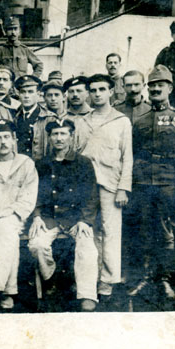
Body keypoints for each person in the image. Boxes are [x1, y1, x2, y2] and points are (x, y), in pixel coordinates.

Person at [127, 65, 175, 300]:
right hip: (143, 182)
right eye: (152, 85)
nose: (155, 89)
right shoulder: (140, 121)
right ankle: (146, 277)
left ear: (170, 88)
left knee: (166, 231)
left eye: (160, 85)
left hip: (168, 181)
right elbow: (133, 154)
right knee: (144, 229)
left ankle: (164, 279)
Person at [28, 119, 100, 311]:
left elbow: (92, 196)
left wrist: (85, 220)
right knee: (37, 245)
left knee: (87, 249)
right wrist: (36, 215)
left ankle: (87, 295)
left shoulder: (83, 163)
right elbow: (34, 193)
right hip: (49, 218)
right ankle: (51, 279)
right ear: (49, 137)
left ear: (71, 136)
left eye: (63, 134)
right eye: (55, 134)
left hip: (76, 218)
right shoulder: (42, 164)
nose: (59, 138)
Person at [74, 73, 133, 299]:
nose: (97, 94)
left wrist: (123, 188)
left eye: (102, 89)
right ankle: (90, 278)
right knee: (88, 231)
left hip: (110, 184)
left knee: (110, 232)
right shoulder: (82, 122)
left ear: (111, 91)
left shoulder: (121, 121)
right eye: (93, 90)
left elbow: (127, 157)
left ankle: (107, 280)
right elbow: (77, 153)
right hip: (85, 185)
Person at [0, 119, 38, 310]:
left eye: (6, 137)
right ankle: (8, 292)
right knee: (8, 234)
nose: (3, 142)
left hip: (18, 217)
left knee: (6, 228)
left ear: (14, 139)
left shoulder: (26, 164)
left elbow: (28, 199)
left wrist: (9, 213)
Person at [14, 74, 54, 161]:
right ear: (19, 94)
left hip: (40, 165)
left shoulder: (49, 118)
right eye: (23, 92)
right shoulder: (14, 116)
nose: (26, 96)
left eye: (30, 92)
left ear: (38, 94)